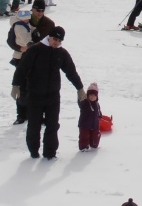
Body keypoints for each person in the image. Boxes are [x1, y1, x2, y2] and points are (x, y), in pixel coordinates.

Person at [11, 26, 86, 160]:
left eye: (59, 40)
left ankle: (50, 153)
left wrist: (79, 88)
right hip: (35, 94)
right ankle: (33, 151)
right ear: (49, 37)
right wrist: (15, 85)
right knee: (34, 125)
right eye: (54, 39)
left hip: (53, 95)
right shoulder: (35, 50)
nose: (56, 42)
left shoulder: (62, 53)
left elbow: (71, 72)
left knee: (53, 125)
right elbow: (22, 68)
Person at [7, 9, 34, 124]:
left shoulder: (25, 24)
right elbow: (21, 39)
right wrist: (30, 45)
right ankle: (22, 114)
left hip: (27, 55)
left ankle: (29, 113)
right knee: (23, 86)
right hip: (21, 57)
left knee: (30, 86)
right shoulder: (19, 26)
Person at [78, 82, 102, 152]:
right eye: (90, 95)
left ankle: (94, 145)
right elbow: (80, 100)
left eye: (94, 95)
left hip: (94, 124)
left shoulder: (97, 104)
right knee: (84, 137)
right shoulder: (85, 103)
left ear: (97, 96)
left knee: (95, 137)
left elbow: (98, 111)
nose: (92, 97)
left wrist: (100, 116)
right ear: (87, 95)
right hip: (84, 124)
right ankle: (84, 148)